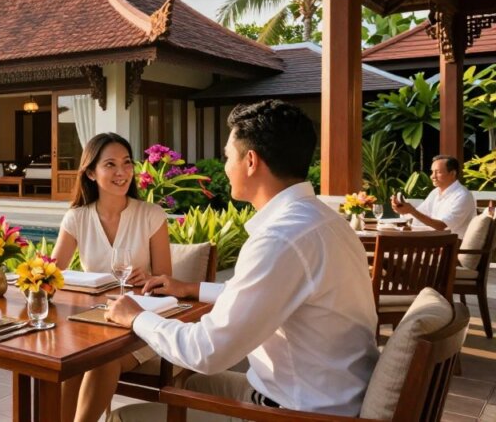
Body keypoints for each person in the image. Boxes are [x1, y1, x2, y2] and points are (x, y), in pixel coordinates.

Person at [105, 100, 379, 420]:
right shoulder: (325, 221)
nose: (225, 167)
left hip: (298, 412)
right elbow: (268, 291)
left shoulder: (280, 238)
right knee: (191, 384)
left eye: (227, 156)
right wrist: (191, 288)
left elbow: (206, 351)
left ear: (250, 161)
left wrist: (136, 317)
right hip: (335, 394)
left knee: (127, 416)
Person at [51, 132, 172, 422]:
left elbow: (167, 280)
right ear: (91, 173)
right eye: (110, 164)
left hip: (138, 327)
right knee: (69, 362)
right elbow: (51, 274)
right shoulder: (77, 218)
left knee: (101, 361)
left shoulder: (151, 215)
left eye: (127, 162)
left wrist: (150, 277)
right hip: (91, 324)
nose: (122, 172)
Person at [391, 155, 476, 238]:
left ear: (453, 173)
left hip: (453, 244)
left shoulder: (462, 196)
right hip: (434, 241)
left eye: (438, 172)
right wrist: (403, 209)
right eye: (432, 172)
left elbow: (441, 226)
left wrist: (412, 211)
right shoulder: (435, 192)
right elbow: (419, 216)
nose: (432, 176)